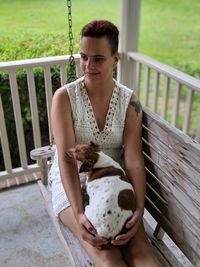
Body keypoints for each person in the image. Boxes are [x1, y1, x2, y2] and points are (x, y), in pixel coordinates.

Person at [49, 20, 161, 267]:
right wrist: (79, 212)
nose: (88, 66)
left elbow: (133, 158)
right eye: (84, 57)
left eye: (98, 59)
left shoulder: (130, 102)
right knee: (106, 253)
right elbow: (66, 159)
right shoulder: (64, 98)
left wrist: (139, 210)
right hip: (71, 182)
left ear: (115, 59)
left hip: (113, 181)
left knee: (138, 246)